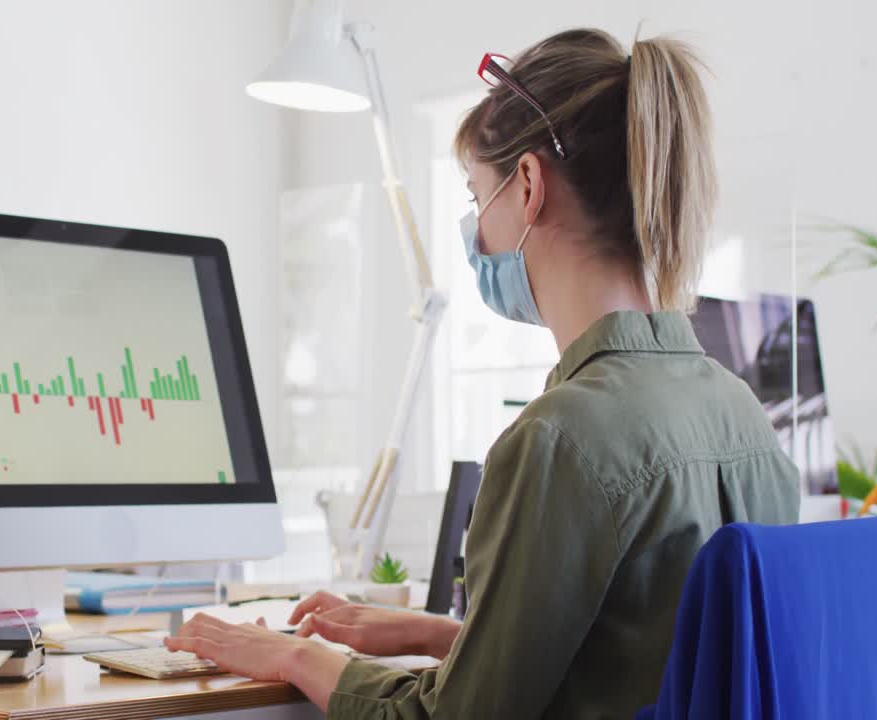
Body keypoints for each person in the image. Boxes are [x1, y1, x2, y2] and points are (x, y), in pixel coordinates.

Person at [165, 27, 800, 718]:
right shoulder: (745, 418)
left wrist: (298, 654)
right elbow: (646, 659)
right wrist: (446, 636)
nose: (476, 232)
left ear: (528, 186)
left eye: (476, 198)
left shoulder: (560, 440)